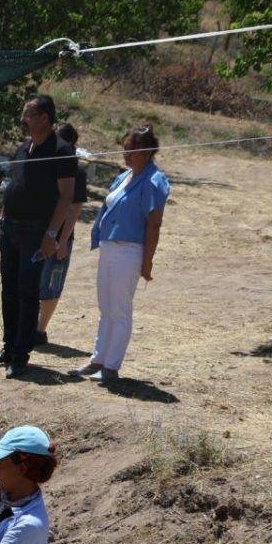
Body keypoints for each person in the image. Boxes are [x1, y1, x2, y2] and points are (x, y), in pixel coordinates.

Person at [0, 96, 76, 377]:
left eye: (28, 114)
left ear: (44, 118)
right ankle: (8, 346)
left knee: (27, 292)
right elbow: (11, 189)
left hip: (36, 231)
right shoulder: (23, 149)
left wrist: (52, 234)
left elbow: (67, 196)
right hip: (10, 227)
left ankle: (21, 354)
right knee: (8, 290)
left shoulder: (61, 150)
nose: (23, 120)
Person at [74, 126, 171, 385]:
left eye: (132, 151)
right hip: (109, 247)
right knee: (105, 307)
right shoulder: (125, 176)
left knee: (119, 309)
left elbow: (154, 223)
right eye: (125, 149)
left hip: (129, 250)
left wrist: (147, 261)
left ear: (148, 151)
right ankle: (98, 358)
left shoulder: (154, 180)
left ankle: (111, 367)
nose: (126, 155)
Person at [36, 123, 87, 345]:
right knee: (35, 281)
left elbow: (74, 208)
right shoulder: (46, 167)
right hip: (39, 233)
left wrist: (63, 240)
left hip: (60, 238)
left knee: (51, 283)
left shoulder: (76, 171)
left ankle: (40, 329)